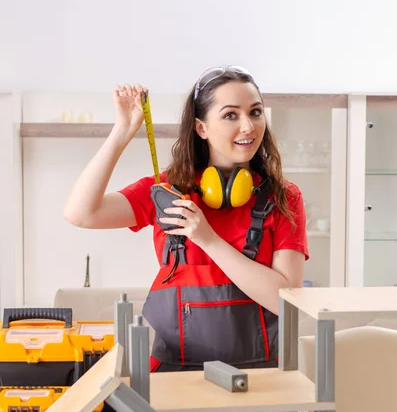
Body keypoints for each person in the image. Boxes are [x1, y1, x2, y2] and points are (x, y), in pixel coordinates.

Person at [64, 66, 309, 372]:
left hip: (257, 378)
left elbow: (286, 303)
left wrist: (207, 239)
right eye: (231, 115)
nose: (248, 126)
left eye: (255, 112)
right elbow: (81, 213)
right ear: (201, 128)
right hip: (173, 376)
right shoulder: (168, 191)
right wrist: (122, 133)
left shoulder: (283, 197)